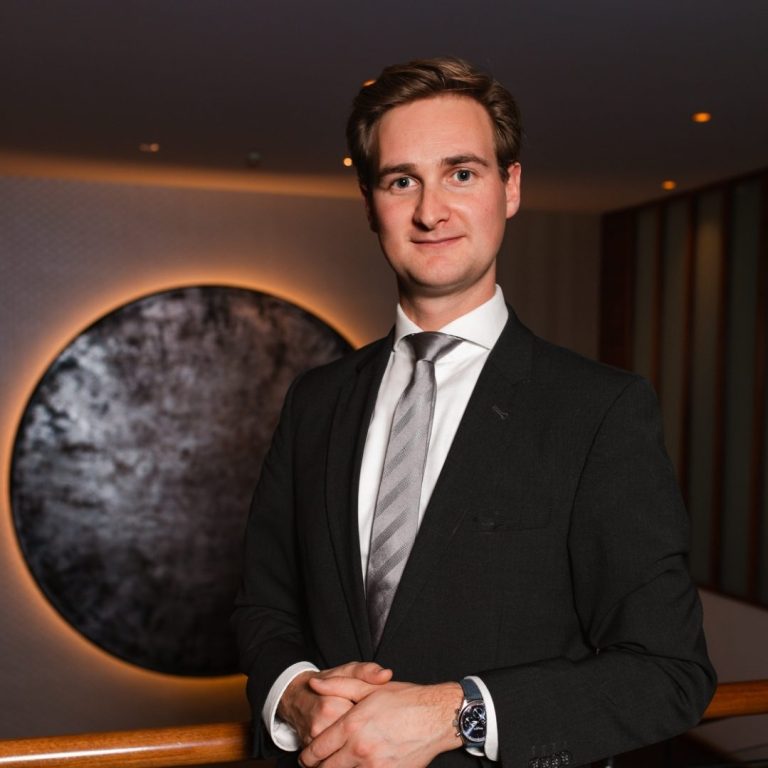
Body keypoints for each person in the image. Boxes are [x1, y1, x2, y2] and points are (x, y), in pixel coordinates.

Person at [232, 57, 715, 768]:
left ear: (510, 187)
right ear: (370, 203)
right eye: (402, 181)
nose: (431, 211)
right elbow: (263, 607)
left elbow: (668, 672)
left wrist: (455, 714)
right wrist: (294, 695)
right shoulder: (317, 399)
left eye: (461, 173)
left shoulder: (600, 410)